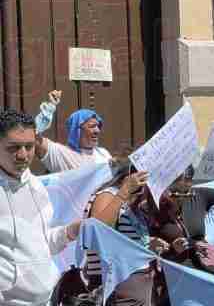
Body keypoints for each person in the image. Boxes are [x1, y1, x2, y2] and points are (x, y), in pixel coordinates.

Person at [0, 109, 81, 305]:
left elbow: (44, 244)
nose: (23, 155)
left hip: (47, 299)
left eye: (29, 146)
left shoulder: (37, 186)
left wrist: (70, 232)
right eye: (13, 147)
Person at [144, 166, 214, 305]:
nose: (184, 186)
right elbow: (147, 248)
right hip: (177, 279)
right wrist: (172, 249)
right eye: (177, 181)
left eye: (188, 180)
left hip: (205, 273)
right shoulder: (153, 205)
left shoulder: (199, 195)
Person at [83, 161, 167, 305]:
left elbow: (122, 242)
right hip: (115, 288)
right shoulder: (109, 195)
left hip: (137, 286)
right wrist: (124, 191)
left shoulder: (133, 204)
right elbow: (97, 231)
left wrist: (147, 244)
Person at [35, 90, 113, 172]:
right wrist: (50, 107)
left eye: (98, 126)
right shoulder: (61, 154)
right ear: (77, 130)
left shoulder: (103, 154)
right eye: (92, 126)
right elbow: (32, 137)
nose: (97, 130)